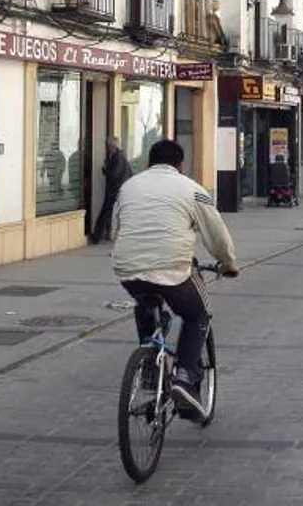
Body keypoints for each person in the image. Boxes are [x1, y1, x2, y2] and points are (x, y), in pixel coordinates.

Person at [111, 139, 238, 416]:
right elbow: (216, 233)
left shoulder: (128, 187)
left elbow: (116, 227)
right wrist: (228, 262)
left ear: (149, 162)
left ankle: (149, 372)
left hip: (127, 267)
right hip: (172, 267)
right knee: (198, 314)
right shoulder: (191, 189)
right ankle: (184, 376)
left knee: (145, 300)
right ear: (180, 165)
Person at [92, 136, 133, 244]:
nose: (107, 148)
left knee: (105, 213)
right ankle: (104, 234)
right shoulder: (119, 156)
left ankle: (97, 236)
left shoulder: (117, 157)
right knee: (111, 213)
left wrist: (105, 170)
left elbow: (114, 174)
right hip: (118, 189)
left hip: (115, 190)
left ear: (111, 146)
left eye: (108, 146)